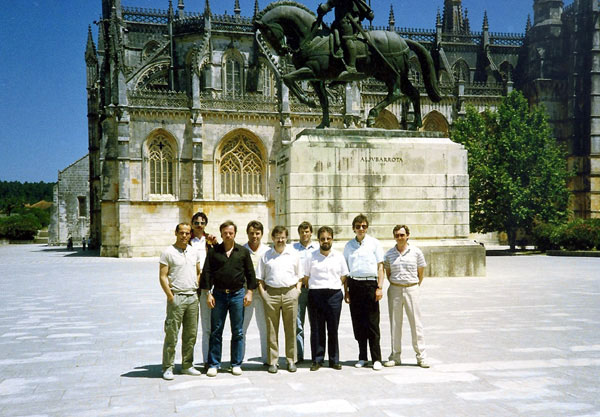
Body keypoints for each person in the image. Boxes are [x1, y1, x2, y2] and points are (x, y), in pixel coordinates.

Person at [201, 220, 256, 377]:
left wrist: (250, 292)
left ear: (235, 234)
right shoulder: (214, 252)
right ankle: (214, 364)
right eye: (225, 233)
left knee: (237, 331)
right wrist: (208, 293)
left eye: (231, 233)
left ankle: (236, 363)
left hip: (237, 295)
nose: (228, 235)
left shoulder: (243, 252)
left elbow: (250, 273)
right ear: (221, 234)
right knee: (216, 330)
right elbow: (207, 273)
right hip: (218, 294)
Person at [159, 223, 202, 380]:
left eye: (187, 233)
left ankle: (187, 364)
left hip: (192, 297)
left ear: (191, 234)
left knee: (191, 334)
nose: (184, 236)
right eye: (182, 233)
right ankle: (168, 367)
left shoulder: (193, 252)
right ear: (176, 233)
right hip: (176, 296)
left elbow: (199, 271)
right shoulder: (168, 252)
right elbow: (163, 275)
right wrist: (170, 296)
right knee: (172, 333)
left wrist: (196, 286)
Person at [383, 224, 430, 368]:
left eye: (402, 235)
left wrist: (412, 285)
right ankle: (395, 356)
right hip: (395, 290)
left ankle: (421, 356)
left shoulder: (416, 252)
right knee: (395, 324)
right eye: (397, 235)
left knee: (416, 324)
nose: (399, 238)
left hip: (411, 289)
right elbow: (388, 273)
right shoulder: (389, 254)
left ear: (407, 236)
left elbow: (420, 273)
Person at [257, 226, 303, 374]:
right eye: (277, 237)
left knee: (291, 329)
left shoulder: (293, 254)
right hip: (272, 294)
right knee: (271, 329)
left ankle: (291, 360)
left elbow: (300, 276)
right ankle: (273, 361)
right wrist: (264, 295)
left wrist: (297, 291)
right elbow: (260, 278)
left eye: (283, 237)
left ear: (287, 237)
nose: (280, 240)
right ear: (273, 238)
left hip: (290, 293)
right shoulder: (266, 255)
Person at [303, 226, 349, 371]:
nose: (325, 241)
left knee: (333, 328)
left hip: (334, 295)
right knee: (316, 328)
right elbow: (305, 277)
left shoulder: (339, 256)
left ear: (332, 239)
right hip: (316, 295)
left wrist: (334, 287)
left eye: (328, 238)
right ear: (318, 240)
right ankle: (317, 359)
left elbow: (343, 276)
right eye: (322, 239)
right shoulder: (311, 256)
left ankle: (334, 360)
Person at [343, 214, 384, 371]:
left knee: (372, 323)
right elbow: (346, 271)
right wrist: (346, 291)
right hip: (355, 285)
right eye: (358, 226)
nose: (361, 229)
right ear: (353, 228)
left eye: (364, 226)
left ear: (367, 228)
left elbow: (380, 267)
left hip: (370, 285)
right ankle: (362, 356)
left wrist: (379, 287)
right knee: (358, 323)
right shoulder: (348, 246)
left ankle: (376, 358)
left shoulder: (374, 244)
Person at [317, 0, 374, 80]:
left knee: (347, 39)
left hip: (348, 21)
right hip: (339, 21)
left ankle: (352, 67)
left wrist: (327, 5)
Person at [189, 211, 216, 368]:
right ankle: (188, 361)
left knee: (208, 326)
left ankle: (208, 360)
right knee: (192, 327)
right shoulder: (187, 240)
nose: (199, 225)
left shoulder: (210, 241)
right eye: (196, 223)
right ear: (192, 224)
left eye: (202, 223)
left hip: (207, 286)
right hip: (191, 286)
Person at [242, 220, 270, 365]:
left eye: (257, 233)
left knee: (264, 327)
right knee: (242, 327)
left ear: (262, 234)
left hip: (262, 293)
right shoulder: (241, 250)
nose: (254, 236)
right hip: (246, 293)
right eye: (252, 233)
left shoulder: (267, 251)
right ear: (247, 233)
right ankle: (238, 358)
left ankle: (267, 358)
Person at [293, 221, 318, 363]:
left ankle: (316, 356)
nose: (305, 234)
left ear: (311, 232)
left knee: (315, 324)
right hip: (299, 290)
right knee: (298, 324)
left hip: (314, 290)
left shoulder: (317, 248)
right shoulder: (293, 249)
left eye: (307, 231)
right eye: (302, 232)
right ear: (299, 233)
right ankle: (298, 355)